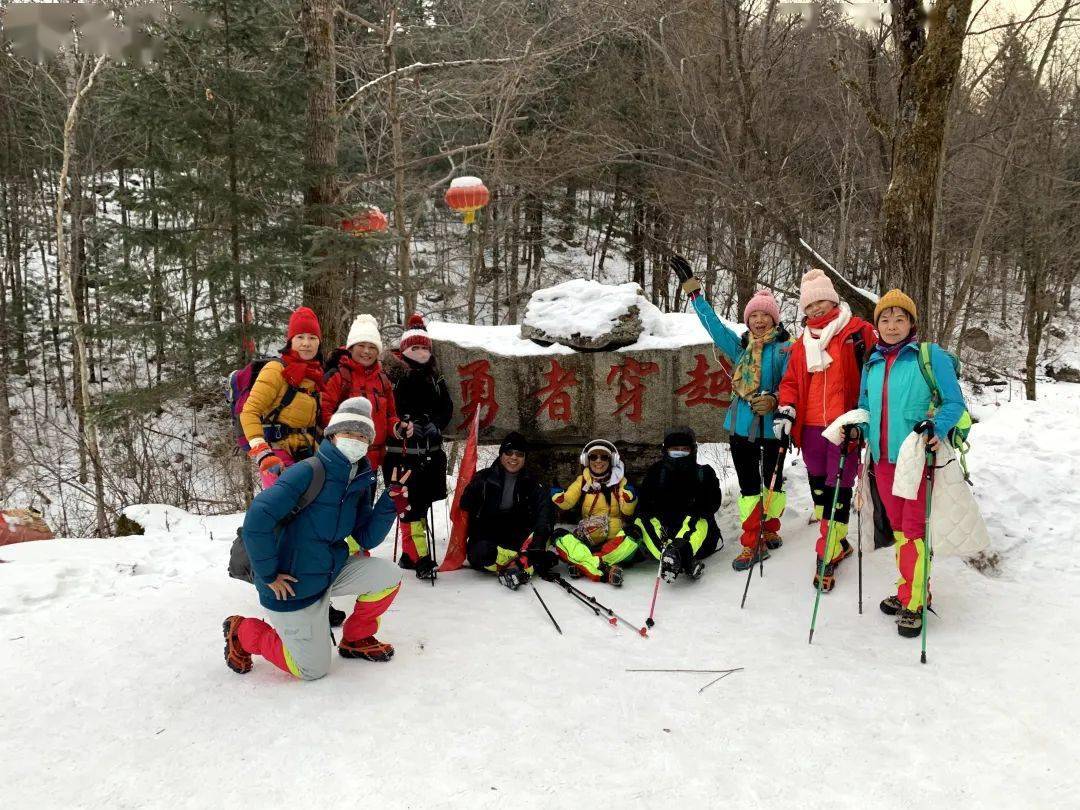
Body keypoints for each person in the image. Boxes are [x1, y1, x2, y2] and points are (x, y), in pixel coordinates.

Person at [223, 397, 406, 680]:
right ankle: (242, 631)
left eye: (362, 436)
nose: (355, 441)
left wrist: (389, 501)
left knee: (389, 575)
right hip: (291, 584)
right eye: (349, 433)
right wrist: (269, 575)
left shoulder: (358, 480)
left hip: (328, 570)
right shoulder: (308, 471)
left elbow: (366, 537)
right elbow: (258, 518)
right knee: (311, 670)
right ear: (332, 435)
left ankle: (356, 638)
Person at [856, 290, 967, 638]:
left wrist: (937, 425)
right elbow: (865, 404)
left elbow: (955, 402)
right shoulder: (872, 361)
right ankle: (910, 587)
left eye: (899, 319)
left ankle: (915, 602)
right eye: (885, 320)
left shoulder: (928, 355)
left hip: (916, 458)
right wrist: (857, 429)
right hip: (882, 460)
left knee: (914, 531)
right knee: (901, 529)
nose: (891, 326)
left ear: (911, 323)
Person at [672, 255, 792, 572]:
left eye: (766, 316)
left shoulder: (785, 350)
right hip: (741, 428)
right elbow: (712, 323)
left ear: (775, 320)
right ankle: (752, 542)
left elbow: (795, 386)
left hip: (775, 430)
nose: (759, 320)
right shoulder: (740, 348)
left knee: (774, 484)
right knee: (750, 486)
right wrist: (693, 290)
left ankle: (771, 527)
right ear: (748, 319)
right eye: (754, 315)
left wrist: (776, 398)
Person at [774, 269, 877, 591]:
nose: (816, 309)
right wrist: (787, 408)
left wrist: (864, 416)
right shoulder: (800, 343)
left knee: (839, 487)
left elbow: (875, 372)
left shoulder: (858, 332)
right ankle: (839, 540)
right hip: (810, 428)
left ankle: (827, 549)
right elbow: (791, 381)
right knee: (820, 486)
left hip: (844, 425)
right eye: (810, 305)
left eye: (821, 301)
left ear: (832, 300)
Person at [382, 313, 454, 580]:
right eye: (416, 347)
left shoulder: (436, 377)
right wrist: (402, 423)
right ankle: (417, 556)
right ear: (404, 349)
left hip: (430, 452)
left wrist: (435, 423)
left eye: (425, 347)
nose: (421, 352)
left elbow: (446, 407)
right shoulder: (393, 376)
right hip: (402, 453)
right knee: (408, 505)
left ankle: (411, 553)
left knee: (421, 504)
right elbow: (388, 409)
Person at [240, 306, 324, 489]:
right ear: (290, 340)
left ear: (319, 343)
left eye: (312, 338)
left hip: (308, 456)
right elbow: (249, 412)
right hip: (277, 457)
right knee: (284, 513)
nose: (306, 343)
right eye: (300, 337)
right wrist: (262, 451)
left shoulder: (316, 376)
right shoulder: (275, 370)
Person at [461, 432, 555, 590]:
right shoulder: (484, 478)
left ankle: (518, 561)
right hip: (489, 535)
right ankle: (522, 562)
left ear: (525, 458)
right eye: (509, 453)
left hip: (517, 534)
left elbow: (545, 512)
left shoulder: (533, 482)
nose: (513, 458)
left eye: (519, 454)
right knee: (479, 554)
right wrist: (470, 491)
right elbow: (465, 506)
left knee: (541, 542)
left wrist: (539, 538)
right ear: (501, 454)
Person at [634, 427, 723, 582]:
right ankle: (672, 556)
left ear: (692, 450)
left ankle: (679, 553)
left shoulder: (704, 473)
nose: (680, 453)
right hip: (664, 533)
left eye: (684, 449)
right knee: (641, 520)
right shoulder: (656, 472)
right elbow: (644, 506)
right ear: (666, 450)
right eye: (675, 449)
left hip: (698, 538)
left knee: (698, 518)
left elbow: (712, 504)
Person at [550, 439, 638, 586]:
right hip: (588, 540)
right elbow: (568, 502)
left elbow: (626, 511)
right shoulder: (583, 481)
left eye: (604, 457)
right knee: (558, 535)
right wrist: (560, 499)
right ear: (586, 459)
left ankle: (584, 562)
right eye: (593, 457)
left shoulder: (620, 482)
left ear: (612, 460)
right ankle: (603, 565)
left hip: (614, 542)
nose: (598, 461)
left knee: (634, 535)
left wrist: (630, 500)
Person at [321, 313, 398, 478]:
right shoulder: (339, 376)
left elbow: (390, 416)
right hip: (342, 459)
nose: (366, 351)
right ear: (351, 347)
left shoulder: (383, 379)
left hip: (373, 462)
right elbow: (324, 413)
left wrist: (398, 428)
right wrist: (346, 439)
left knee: (366, 504)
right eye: (361, 345)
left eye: (372, 347)